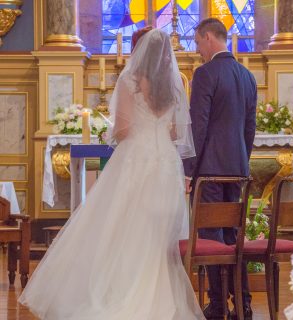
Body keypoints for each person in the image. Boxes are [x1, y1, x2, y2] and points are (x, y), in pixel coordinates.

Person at [19, 28, 205, 320]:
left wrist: (110, 131)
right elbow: (173, 131)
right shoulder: (173, 87)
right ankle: (159, 297)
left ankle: (121, 291)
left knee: (123, 227)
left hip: (136, 159)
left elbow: (123, 130)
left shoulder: (130, 80)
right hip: (165, 163)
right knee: (157, 235)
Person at [183, 18, 257, 320]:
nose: (198, 50)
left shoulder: (205, 74)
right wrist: (241, 160)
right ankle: (244, 303)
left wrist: (188, 171)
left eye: (198, 43)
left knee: (211, 239)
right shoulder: (247, 76)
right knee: (234, 237)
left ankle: (216, 304)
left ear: (209, 38)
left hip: (210, 171)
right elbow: (249, 129)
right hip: (237, 169)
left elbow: (197, 128)